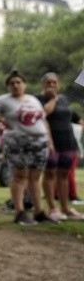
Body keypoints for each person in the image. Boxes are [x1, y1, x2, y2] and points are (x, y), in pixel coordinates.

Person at [0, 70, 55, 226]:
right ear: (8, 87)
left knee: (35, 177)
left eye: (18, 82)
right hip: (18, 142)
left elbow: (42, 119)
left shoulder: (33, 99)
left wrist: (49, 141)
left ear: (24, 84)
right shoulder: (4, 100)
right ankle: (20, 212)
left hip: (40, 142)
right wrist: (1, 119)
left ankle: (39, 212)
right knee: (20, 176)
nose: (15, 85)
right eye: (12, 83)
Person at [34, 72, 84, 221]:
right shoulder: (38, 99)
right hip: (50, 143)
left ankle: (66, 208)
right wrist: (53, 98)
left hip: (68, 142)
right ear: (43, 85)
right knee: (50, 175)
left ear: (59, 84)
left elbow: (74, 117)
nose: (51, 85)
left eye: (54, 82)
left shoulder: (64, 100)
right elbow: (44, 114)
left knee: (64, 176)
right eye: (48, 83)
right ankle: (53, 208)